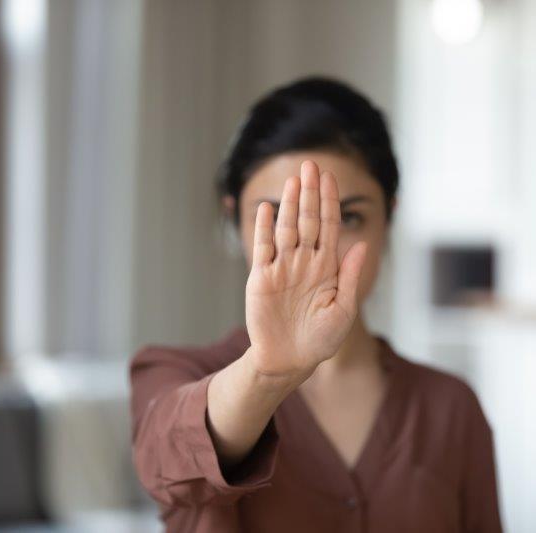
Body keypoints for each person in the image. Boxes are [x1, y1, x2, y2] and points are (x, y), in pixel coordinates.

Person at [128, 75, 504, 532]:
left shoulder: (450, 408)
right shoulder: (171, 373)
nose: (316, 243)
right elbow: (165, 466)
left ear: (389, 220)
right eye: (279, 216)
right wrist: (270, 371)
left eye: (348, 216)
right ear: (234, 221)